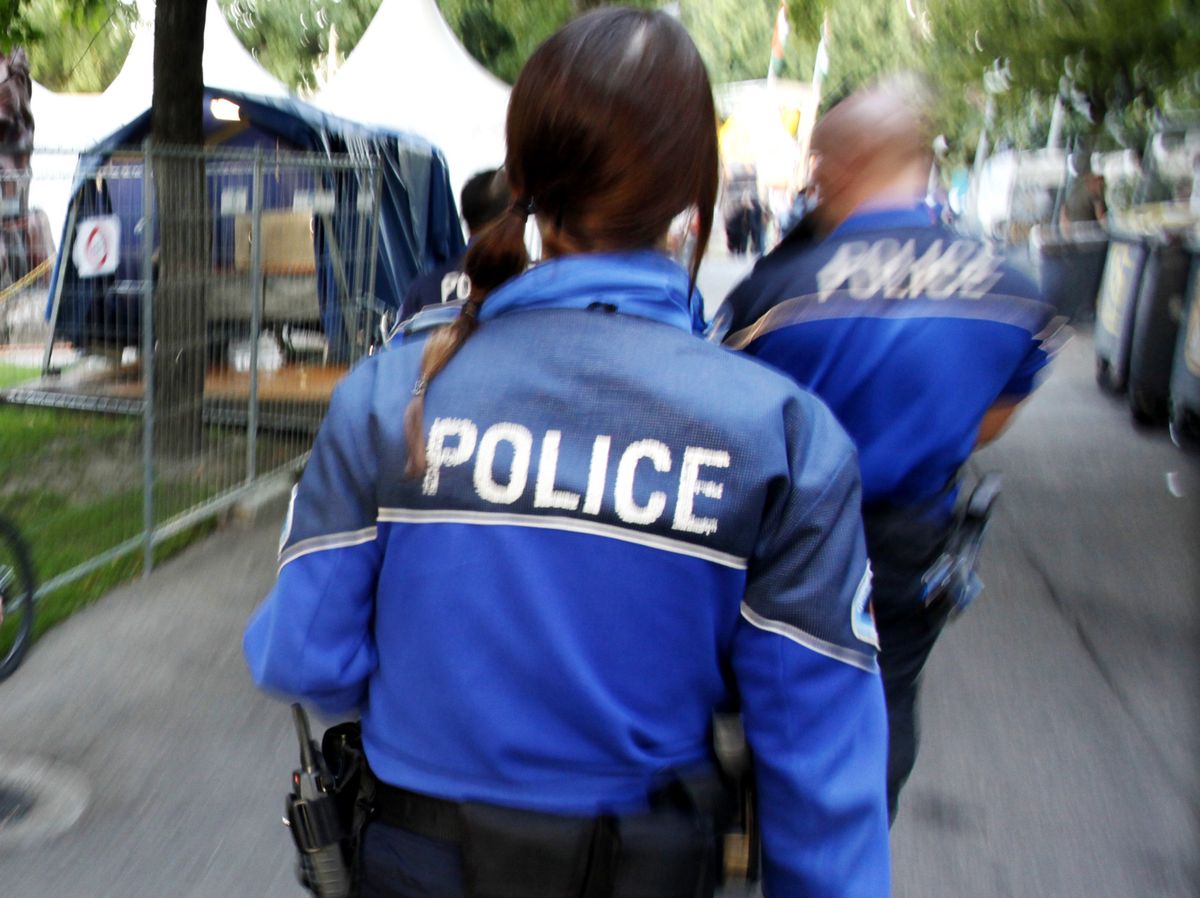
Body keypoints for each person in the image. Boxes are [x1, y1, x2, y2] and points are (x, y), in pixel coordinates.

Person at [244, 8, 889, 896]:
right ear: (693, 194)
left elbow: (302, 660)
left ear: (526, 174)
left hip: (420, 865)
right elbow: (822, 782)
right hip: (644, 869)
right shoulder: (779, 434)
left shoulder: (397, 393)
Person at [717, 75, 1061, 825]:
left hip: (790, 533)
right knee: (891, 688)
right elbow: (996, 413)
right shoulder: (1007, 284)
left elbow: (727, 414)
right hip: (914, 536)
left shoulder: (777, 290)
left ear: (838, 168)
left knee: (764, 682)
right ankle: (857, 840)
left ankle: (757, 829)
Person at [398, 167, 510, 322]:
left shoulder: (422, 288)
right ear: (510, 218)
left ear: (464, 216)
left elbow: (398, 341)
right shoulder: (522, 285)